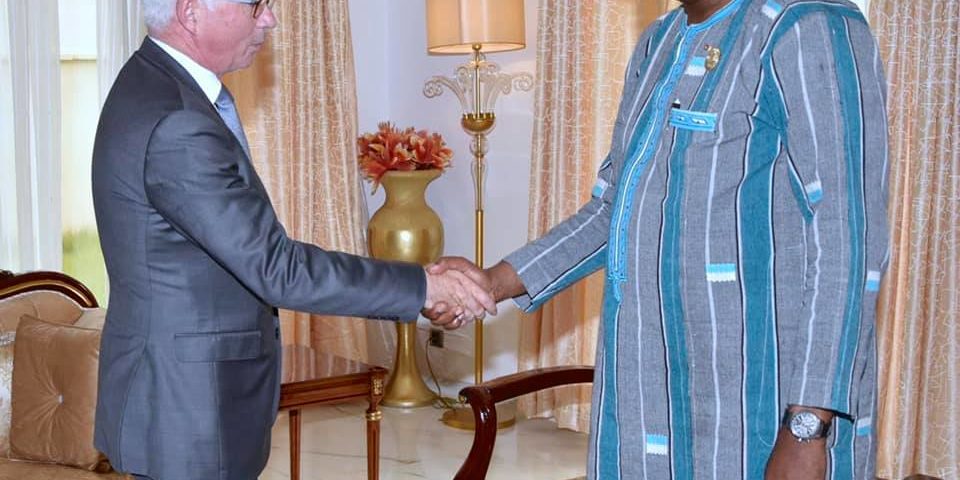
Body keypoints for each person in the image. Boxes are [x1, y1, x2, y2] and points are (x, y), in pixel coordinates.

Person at [427, 0, 889, 478]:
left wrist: (807, 428)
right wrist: (493, 281)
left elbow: (847, 244)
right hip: (648, 392)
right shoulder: (659, 41)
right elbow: (614, 209)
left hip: (761, 407)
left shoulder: (807, 27)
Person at [91, 0, 493, 478]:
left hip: (175, 398)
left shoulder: (151, 84)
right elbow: (276, 269)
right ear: (191, 11)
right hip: (187, 410)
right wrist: (422, 287)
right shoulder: (177, 120)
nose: (270, 19)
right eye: (256, 4)